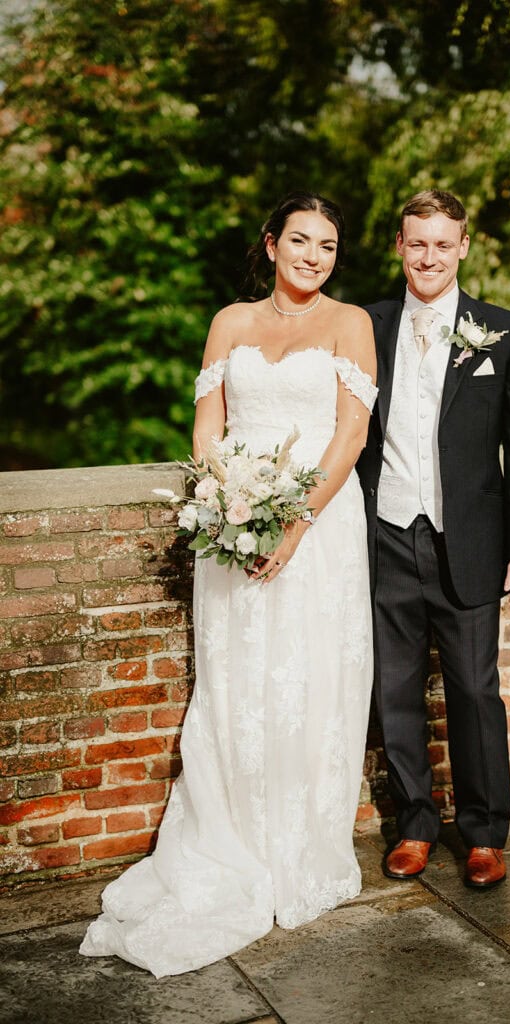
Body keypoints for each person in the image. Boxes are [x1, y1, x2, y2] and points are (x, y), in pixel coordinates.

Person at [80, 191, 377, 977]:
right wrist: (232, 497)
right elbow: (206, 426)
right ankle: (230, 840)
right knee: (236, 683)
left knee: (309, 679)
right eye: (301, 240)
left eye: (328, 246)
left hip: (319, 523)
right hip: (234, 523)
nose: (314, 256)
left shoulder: (350, 323)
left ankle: (301, 848)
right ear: (271, 243)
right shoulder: (229, 322)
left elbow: (351, 431)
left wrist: (295, 519)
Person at [356, 189, 510, 889]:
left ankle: (483, 832)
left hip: (467, 542)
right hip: (383, 538)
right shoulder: (365, 326)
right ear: (398, 248)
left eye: (442, 243)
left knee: (473, 690)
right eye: (416, 243)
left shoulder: (504, 332)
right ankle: (413, 823)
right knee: (394, 690)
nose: (428, 256)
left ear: (463, 246)